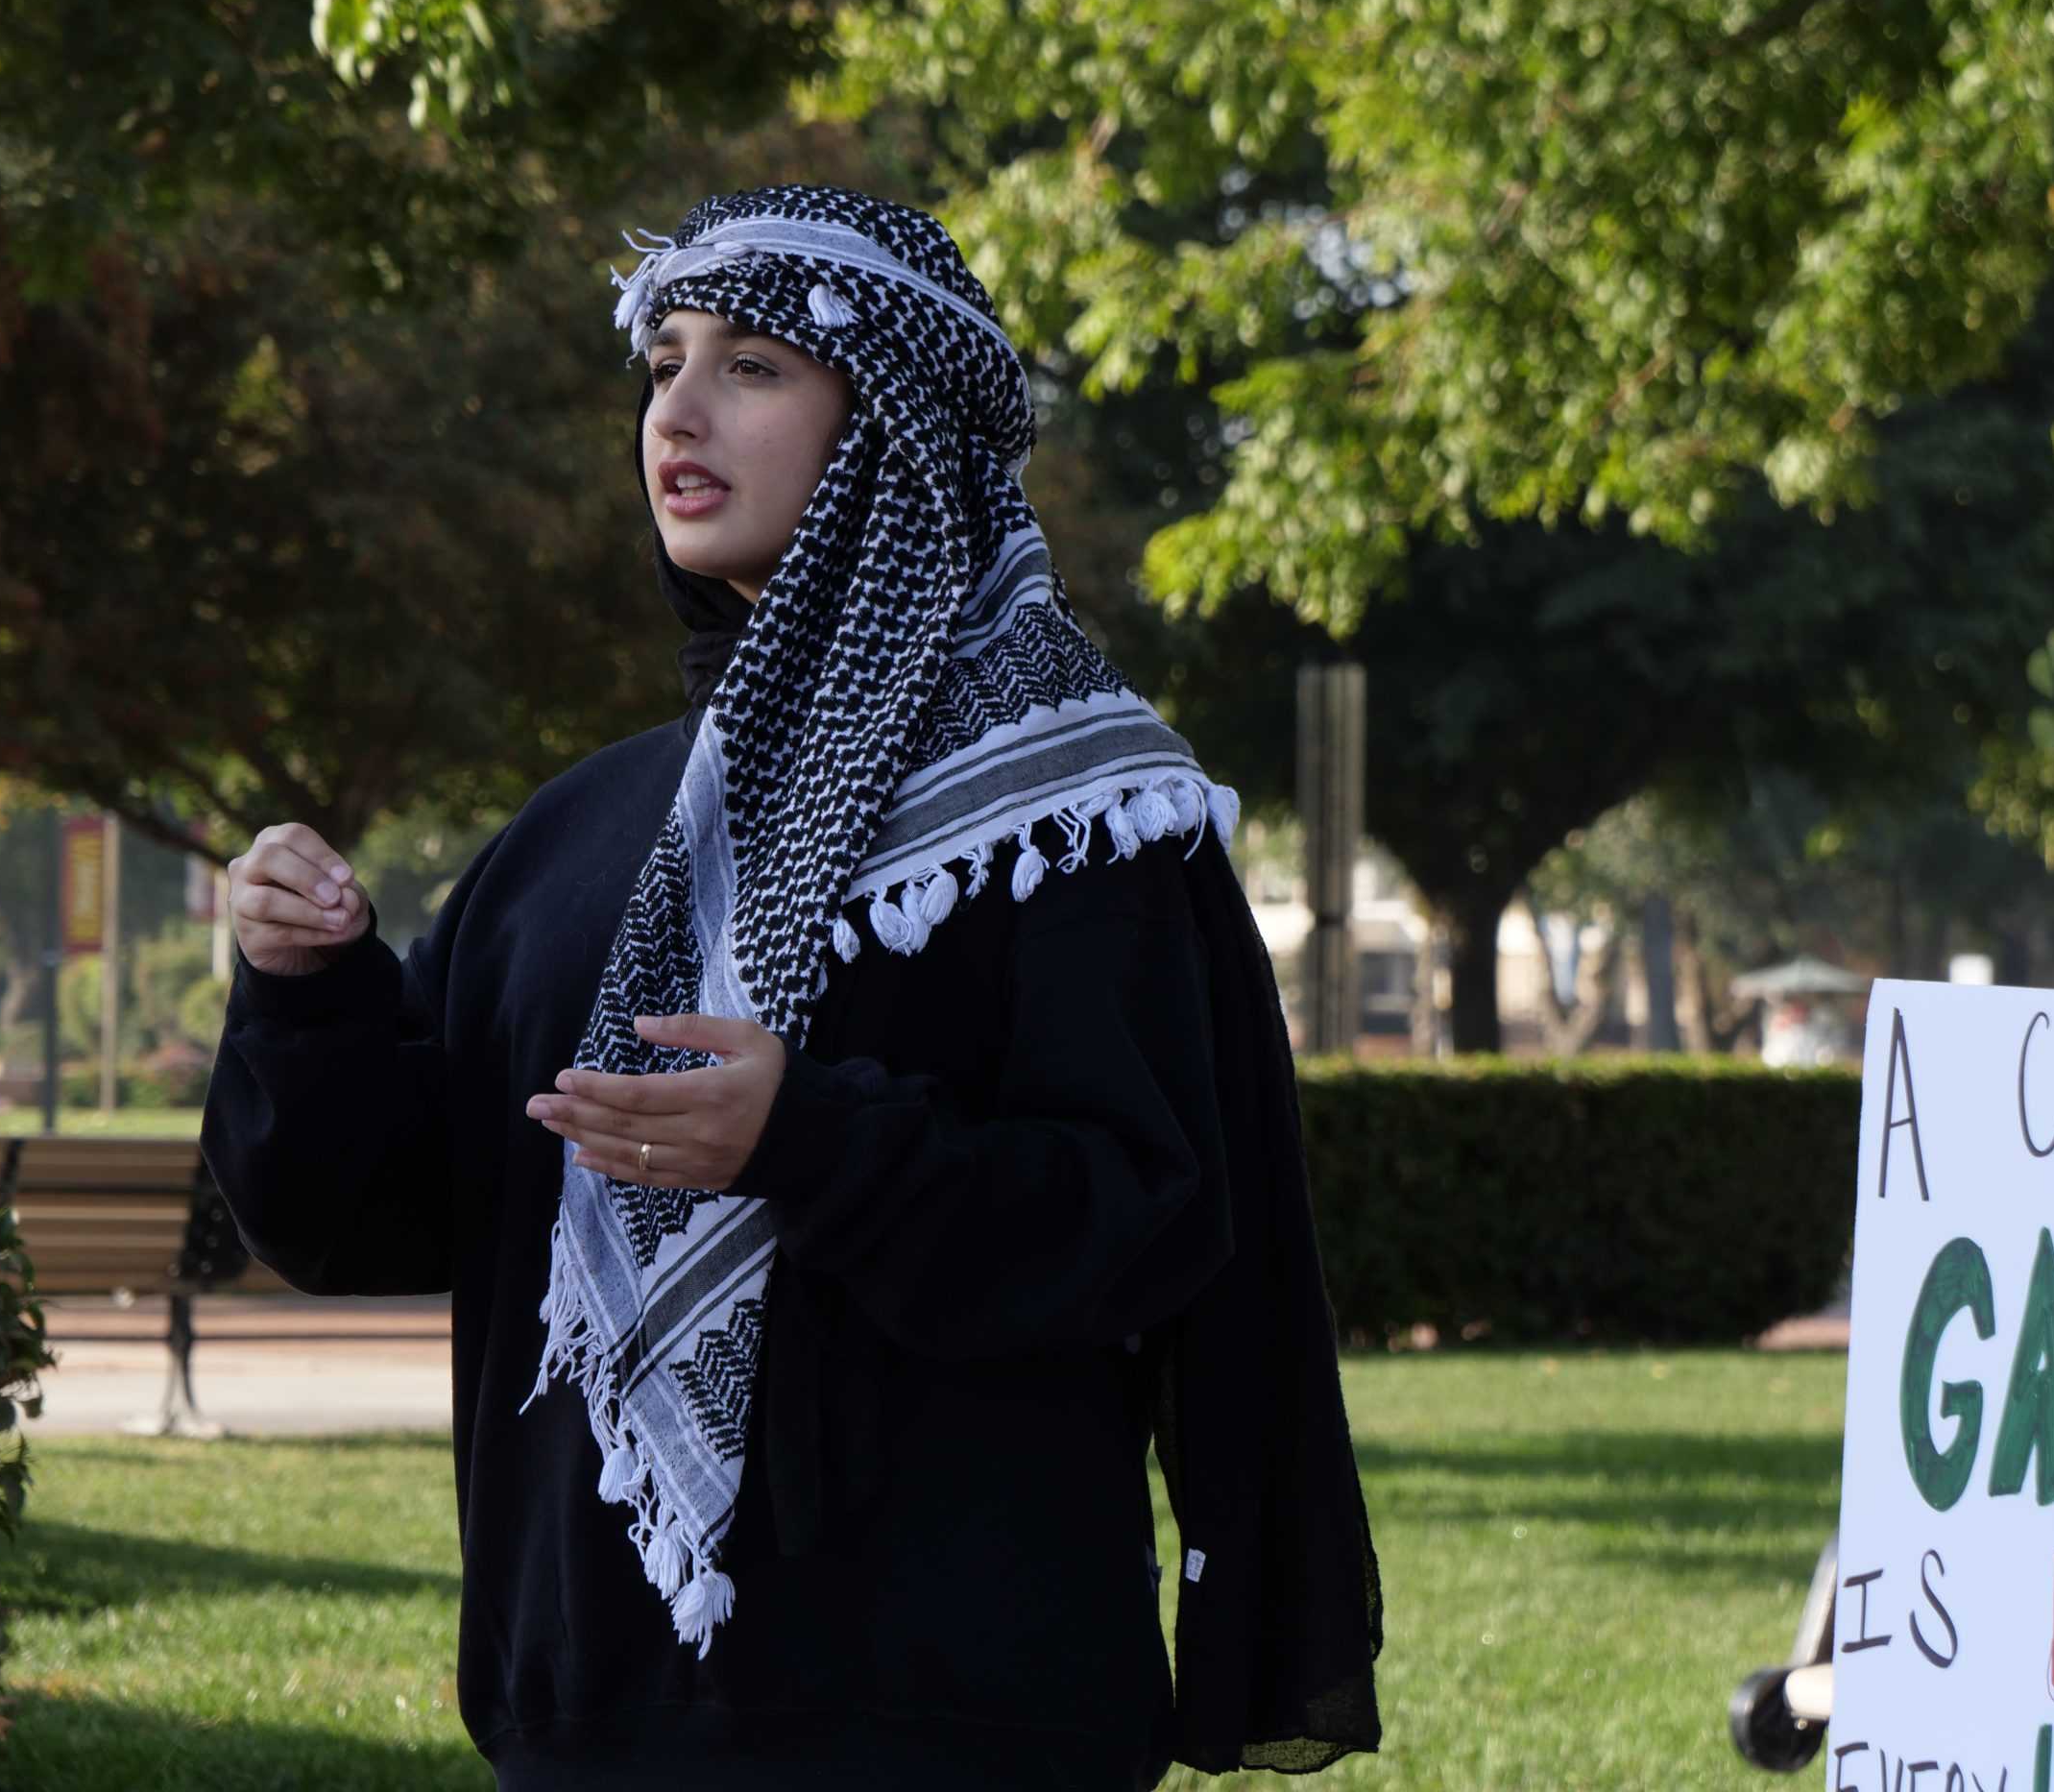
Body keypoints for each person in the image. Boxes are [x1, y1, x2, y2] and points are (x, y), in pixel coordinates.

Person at [200, 183, 1381, 1790]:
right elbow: (369, 1221)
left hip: (952, 1722)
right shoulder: (579, 832)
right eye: (663, 359)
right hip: (592, 1714)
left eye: (753, 365)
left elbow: (1151, 1219)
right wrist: (309, 993)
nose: (675, 411)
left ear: (894, 422)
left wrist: (811, 1145)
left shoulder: (1069, 806)